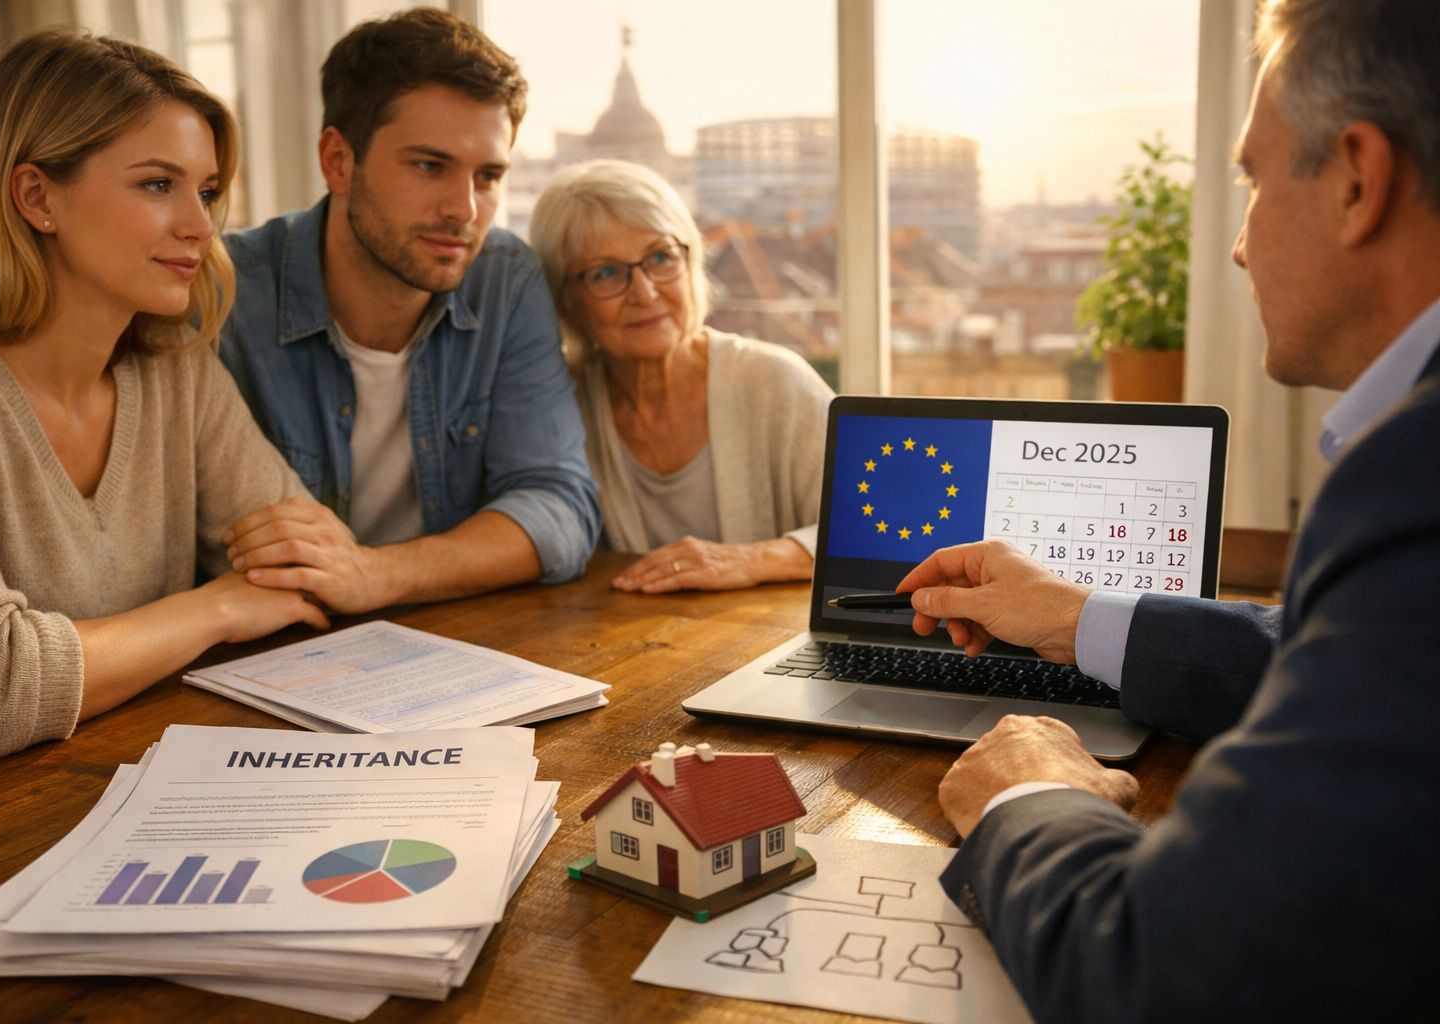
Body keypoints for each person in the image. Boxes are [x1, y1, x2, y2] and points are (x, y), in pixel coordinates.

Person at [895, 1, 1440, 1019]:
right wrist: (1074, 615)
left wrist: (1028, 790)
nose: (1237, 246)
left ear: (1359, 180)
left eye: (1252, 180)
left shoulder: (1415, 470)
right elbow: (1345, 661)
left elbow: (1164, 970)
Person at [0, 32, 329, 761]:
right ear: (37, 197)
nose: (199, 227)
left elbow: (309, 568)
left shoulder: (174, 369)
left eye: (207, 191)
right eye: (158, 185)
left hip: (113, 784)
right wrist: (216, 607)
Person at [218, 8, 599, 614]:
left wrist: (376, 575)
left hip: (442, 647)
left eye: (489, 175)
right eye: (430, 166)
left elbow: (559, 507)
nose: (465, 211)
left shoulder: (504, 277)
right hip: (264, 654)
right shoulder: (226, 294)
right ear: (338, 161)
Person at [530, 159, 833, 593]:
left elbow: (881, 538)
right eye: (607, 273)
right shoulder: (563, 403)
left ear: (690, 261)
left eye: (660, 257)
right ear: (566, 300)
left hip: (777, 646)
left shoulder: (774, 381)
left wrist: (752, 559)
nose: (646, 293)